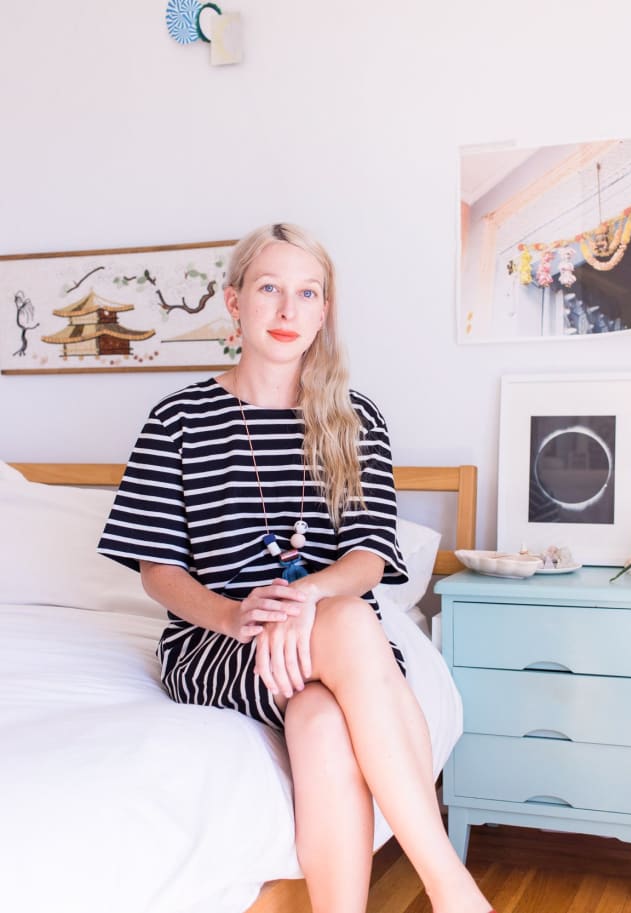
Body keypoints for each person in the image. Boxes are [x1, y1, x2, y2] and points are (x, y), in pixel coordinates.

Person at [98, 223, 494, 913]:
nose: (288, 310)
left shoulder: (354, 418)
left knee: (319, 718)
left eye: (307, 293)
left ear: (323, 311)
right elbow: (158, 569)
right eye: (269, 289)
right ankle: (452, 888)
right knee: (346, 628)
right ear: (234, 302)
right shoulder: (178, 420)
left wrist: (302, 598)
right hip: (219, 638)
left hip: (337, 631)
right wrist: (236, 614)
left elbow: (368, 559)